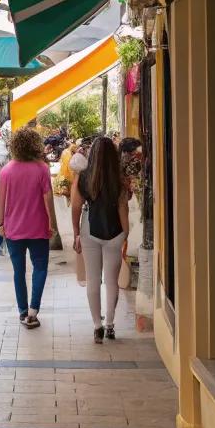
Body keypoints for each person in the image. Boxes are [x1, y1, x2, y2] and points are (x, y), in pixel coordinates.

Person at [0, 126, 57, 329]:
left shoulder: (6, 171)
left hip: (14, 230)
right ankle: (33, 311)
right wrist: (52, 224)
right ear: (35, 145)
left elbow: (0, 201)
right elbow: (48, 199)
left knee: (18, 271)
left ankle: (22, 311)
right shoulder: (42, 169)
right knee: (40, 268)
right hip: (38, 228)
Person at [72, 135, 130, 342]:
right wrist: (125, 234)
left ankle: (97, 325)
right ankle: (111, 325)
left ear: (93, 154)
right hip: (114, 232)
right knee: (112, 281)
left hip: (90, 231)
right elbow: (124, 210)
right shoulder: (120, 179)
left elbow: (76, 207)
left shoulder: (84, 177)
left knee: (93, 280)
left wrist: (76, 233)